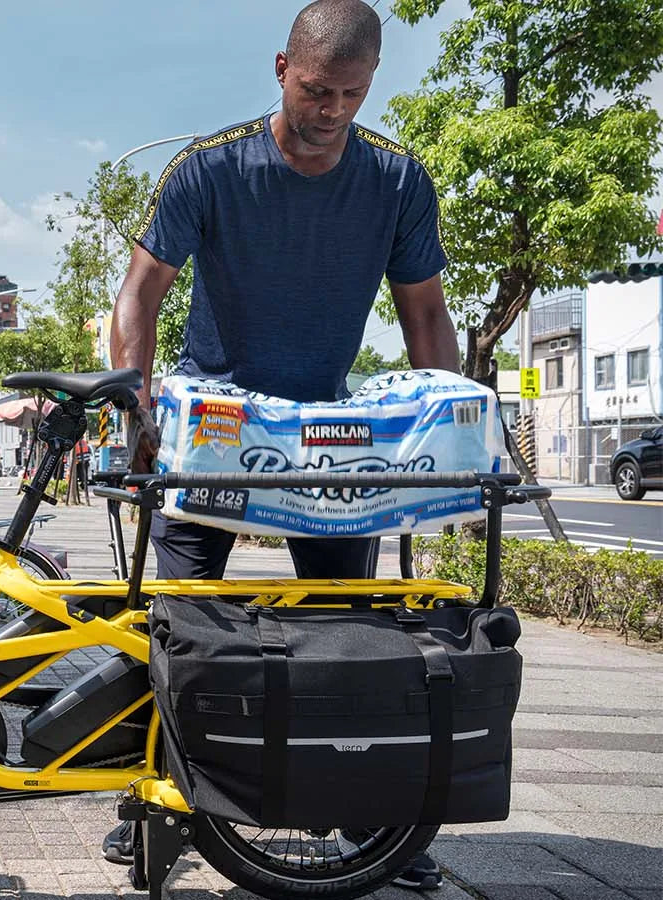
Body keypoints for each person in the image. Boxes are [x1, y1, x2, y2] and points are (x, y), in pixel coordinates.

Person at [107, 0, 459, 891]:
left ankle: (370, 816)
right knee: (178, 622)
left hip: (327, 442)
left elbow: (425, 313)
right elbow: (140, 291)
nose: (332, 109)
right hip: (214, 432)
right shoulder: (209, 168)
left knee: (351, 629)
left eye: (351, 93)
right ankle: (154, 801)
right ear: (280, 70)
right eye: (315, 89)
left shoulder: (397, 180)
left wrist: (451, 431)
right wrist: (136, 413)